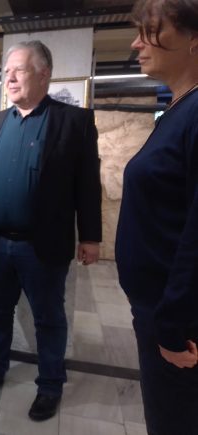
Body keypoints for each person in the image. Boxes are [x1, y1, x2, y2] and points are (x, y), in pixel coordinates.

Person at [0, 40, 101, 421]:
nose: (9, 78)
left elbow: (88, 185)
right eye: (6, 71)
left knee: (48, 318)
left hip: (42, 245)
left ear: (44, 74)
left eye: (19, 70)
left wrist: (90, 236)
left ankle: (50, 385)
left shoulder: (74, 122)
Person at [115, 0, 198, 433]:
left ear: (194, 39)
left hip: (177, 320)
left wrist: (172, 324)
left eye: (150, 31)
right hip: (159, 308)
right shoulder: (178, 110)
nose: (136, 44)